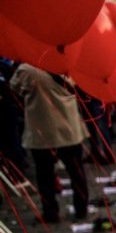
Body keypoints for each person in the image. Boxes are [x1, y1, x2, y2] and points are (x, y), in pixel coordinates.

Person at [10, 64, 91, 223]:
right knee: (76, 170)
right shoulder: (67, 63)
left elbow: (14, 89)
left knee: (44, 174)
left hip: (43, 130)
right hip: (69, 127)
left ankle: (50, 212)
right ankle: (81, 208)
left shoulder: (27, 70)